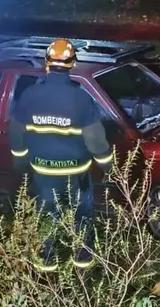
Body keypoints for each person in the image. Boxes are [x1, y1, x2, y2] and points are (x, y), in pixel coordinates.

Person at [8, 38, 114, 271]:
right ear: (72, 64)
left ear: (47, 64)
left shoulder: (30, 95)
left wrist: (20, 160)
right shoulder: (81, 99)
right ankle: (82, 262)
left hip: (43, 171)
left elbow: (16, 131)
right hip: (76, 174)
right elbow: (96, 140)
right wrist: (109, 167)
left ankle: (47, 265)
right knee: (82, 216)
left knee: (47, 215)